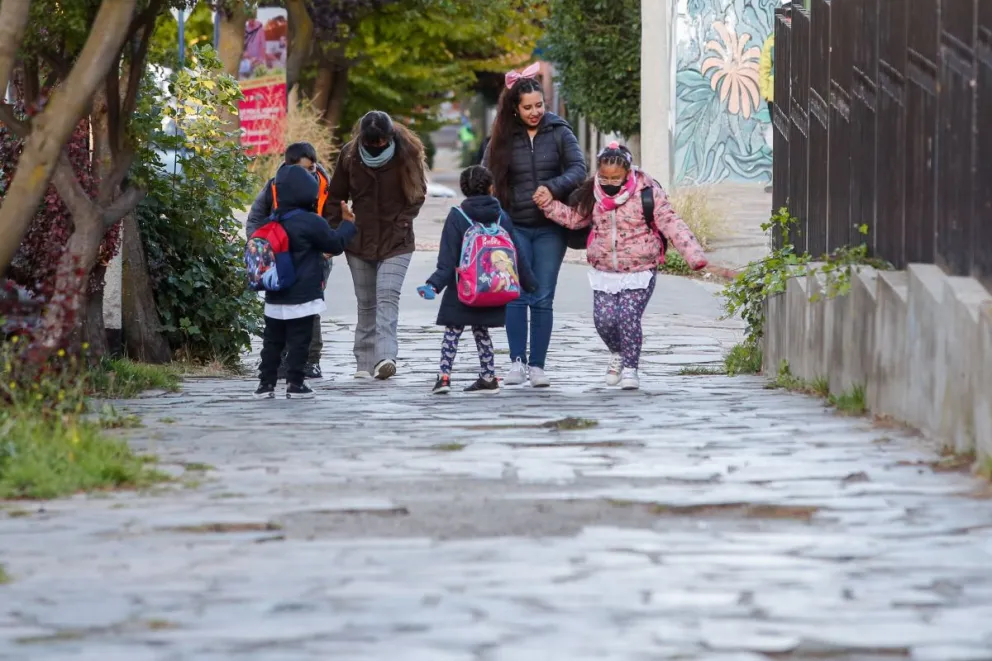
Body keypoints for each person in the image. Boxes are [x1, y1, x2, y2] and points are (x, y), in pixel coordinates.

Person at [534, 142, 707, 390]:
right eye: (604, 177)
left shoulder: (648, 193)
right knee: (603, 320)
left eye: (616, 177)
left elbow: (671, 223)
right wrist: (548, 205)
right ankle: (617, 352)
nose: (609, 182)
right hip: (605, 269)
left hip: (640, 268)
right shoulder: (592, 193)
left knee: (628, 316)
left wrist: (693, 254)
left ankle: (630, 368)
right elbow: (575, 219)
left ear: (628, 172)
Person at [483, 63, 587, 388]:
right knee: (516, 295)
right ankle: (516, 362)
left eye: (539, 105)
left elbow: (579, 169)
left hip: (550, 228)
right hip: (513, 227)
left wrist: (553, 187)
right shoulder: (501, 137)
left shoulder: (559, 131)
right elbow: (486, 175)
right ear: (515, 107)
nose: (535, 112)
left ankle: (538, 366)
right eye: (527, 107)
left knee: (542, 296)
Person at [326, 111, 428, 380]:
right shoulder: (350, 155)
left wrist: (403, 223)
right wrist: (332, 232)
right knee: (366, 302)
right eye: (373, 143)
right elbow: (336, 195)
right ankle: (364, 362)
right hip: (359, 238)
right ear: (363, 139)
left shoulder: (407, 152)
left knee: (387, 295)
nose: (378, 146)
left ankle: (385, 357)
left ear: (390, 136)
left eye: (382, 141)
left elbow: (417, 194)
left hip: (397, 240)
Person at [421, 165, 536, 395]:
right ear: (492, 188)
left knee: (452, 331)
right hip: (490, 287)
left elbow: (447, 258)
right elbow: (516, 254)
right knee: (481, 330)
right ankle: (488, 376)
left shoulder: (457, 215)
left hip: (463, 288)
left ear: (464, 189)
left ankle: (444, 377)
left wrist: (433, 284)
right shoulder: (502, 216)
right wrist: (529, 282)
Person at [255, 165, 357, 399]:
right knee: (300, 341)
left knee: (272, 342)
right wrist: (348, 224)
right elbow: (334, 245)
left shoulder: (272, 221)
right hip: (303, 296)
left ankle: (265, 385)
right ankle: (296, 384)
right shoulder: (312, 222)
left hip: (275, 295)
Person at [247, 142, 333, 380]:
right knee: (280, 306)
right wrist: (260, 248)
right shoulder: (274, 185)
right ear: (286, 166)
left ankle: (311, 360)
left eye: (308, 170)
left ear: (314, 165)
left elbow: (335, 216)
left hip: (315, 256)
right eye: (297, 170)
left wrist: (328, 248)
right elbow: (255, 218)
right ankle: (283, 358)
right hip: (281, 255)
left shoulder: (326, 186)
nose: (303, 176)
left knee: (310, 306)